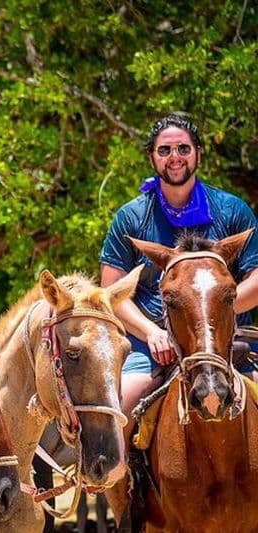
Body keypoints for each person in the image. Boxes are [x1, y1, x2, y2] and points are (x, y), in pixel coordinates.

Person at [100, 114, 258, 444]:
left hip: (230, 337)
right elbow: (111, 292)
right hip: (153, 341)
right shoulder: (131, 217)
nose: (175, 157)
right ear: (152, 157)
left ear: (198, 153)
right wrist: (152, 332)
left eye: (183, 148)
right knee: (121, 413)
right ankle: (117, 490)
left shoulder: (232, 210)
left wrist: (215, 314)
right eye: (165, 149)